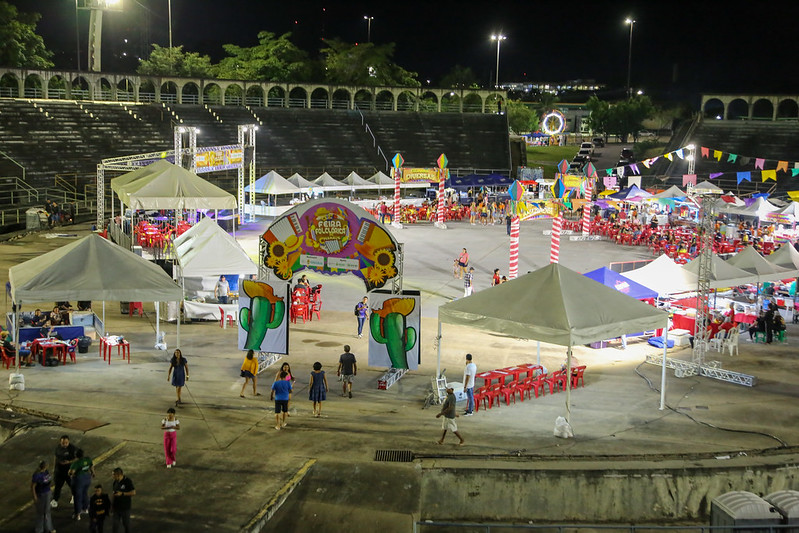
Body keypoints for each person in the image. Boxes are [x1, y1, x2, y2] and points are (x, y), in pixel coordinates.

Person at [68, 447, 94, 520]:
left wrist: (70, 474)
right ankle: (85, 508)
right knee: (85, 493)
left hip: (79, 480)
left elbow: (71, 472)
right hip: (87, 478)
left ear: (76, 455)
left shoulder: (76, 463)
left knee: (77, 496)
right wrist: (93, 473)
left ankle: (77, 514)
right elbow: (91, 466)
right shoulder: (88, 459)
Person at [52, 434, 77, 509]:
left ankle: (75, 497)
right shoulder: (58, 448)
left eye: (66, 443)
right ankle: (55, 500)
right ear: (60, 442)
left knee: (72, 485)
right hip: (59, 471)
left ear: (68, 442)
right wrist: (54, 468)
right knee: (57, 486)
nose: (65, 444)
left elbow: (78, 458)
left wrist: (69, 462)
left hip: (69, 471)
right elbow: (55, 457)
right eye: (63, 443)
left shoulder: (72, 448)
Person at [32, 460, 54, 533]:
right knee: (40, 513)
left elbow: (48, 481)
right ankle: (39, 530)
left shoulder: (46, 472)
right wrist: (35, 496)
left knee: (47, 511)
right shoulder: (37, 475)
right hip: (41, 494)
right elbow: (33, 486)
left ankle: (49, 528)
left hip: (47, 493)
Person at [111, 467, 135, 533]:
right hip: (116, 508)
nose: (112, 476)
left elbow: (133, 492)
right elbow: (114, 494)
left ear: (118, 474)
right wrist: (111, 505)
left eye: (114, 475)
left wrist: (122, 494)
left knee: (126, 525)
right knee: (115, 526)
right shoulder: (115, 482)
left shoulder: (127, 481)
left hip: (125, 508)